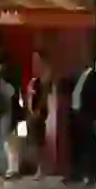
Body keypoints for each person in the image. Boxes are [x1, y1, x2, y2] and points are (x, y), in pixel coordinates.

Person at [68, 60, 96, 186]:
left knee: (90, 146)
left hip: (88, 115)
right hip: (76, 114)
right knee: (77, 145)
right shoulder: (76, 77)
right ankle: (77, 173)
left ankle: (92, 174)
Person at [25, 51, 53, 180]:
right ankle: (39, 169)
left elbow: (44, 96)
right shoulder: (34, 80)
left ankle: (42, 169)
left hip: (39, 114)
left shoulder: (45, 78)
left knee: (39, 143)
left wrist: (38, 111)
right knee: (34, 142)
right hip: (32, 113)